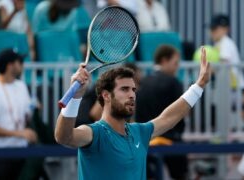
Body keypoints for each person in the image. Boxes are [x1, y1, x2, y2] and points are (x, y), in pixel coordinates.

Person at [54, 47, 210, 179]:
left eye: (134, 90)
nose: (132, 95)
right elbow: (63, 137)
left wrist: (199, 86)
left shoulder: (139, 132)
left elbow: (169, 117)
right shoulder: (94, 133)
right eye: (124, 89)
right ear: (106, 95)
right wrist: (75, 98)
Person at [0, 48, 37, 179]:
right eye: (20, 61)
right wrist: (20, 133)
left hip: (21, 151)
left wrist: (34, 109)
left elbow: (25, 116)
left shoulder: (21, 86)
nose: (22, 65)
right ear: (10, 65)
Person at [136, 45, 187, 179]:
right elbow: (181, 111)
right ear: (164, 60)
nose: (177, 67)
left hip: (146, 140)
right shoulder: (173, 82)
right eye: (175, 63)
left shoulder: (142, 83)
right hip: (171, 140)